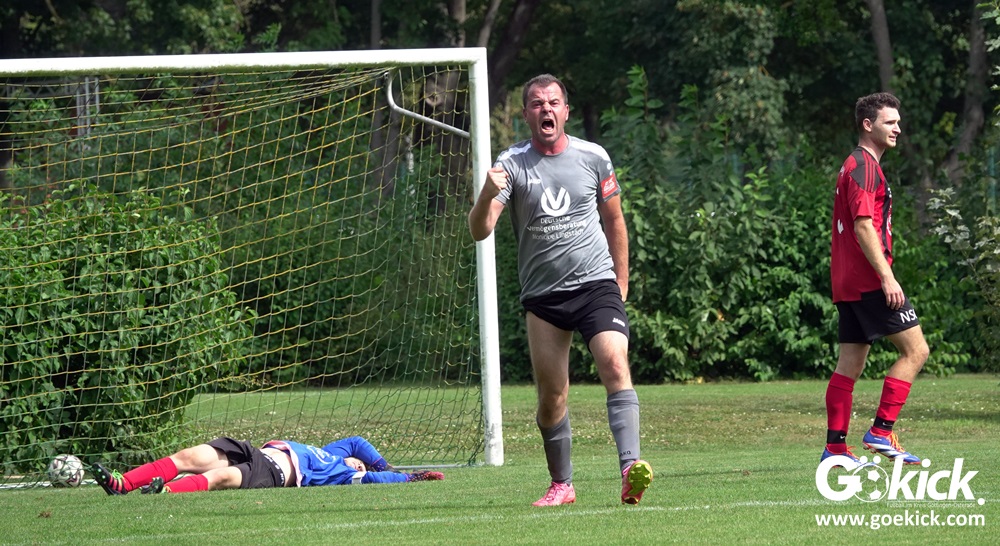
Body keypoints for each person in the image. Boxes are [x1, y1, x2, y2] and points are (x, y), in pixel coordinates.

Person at [468, 74, 652, 506]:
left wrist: (621, 281)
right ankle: (562, 485)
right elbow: (481, 229)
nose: (546, 109)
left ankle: (631, 469)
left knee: (614, 362)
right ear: (526, 114)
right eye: (537, 103)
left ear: (566, 111)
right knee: (552, 398)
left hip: (596, 286)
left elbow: (615, 220)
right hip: (544, 298)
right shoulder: (512, 163)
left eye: (553, 102)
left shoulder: (594, 157)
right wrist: (485, 194)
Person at [823, 92, 930, 466]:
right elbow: (864, 225)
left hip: (846, 283)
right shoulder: (865, 167)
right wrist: (887, 277)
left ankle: (835, 449)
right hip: (869, 280)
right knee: (916, 351)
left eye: (898, 122)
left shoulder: (851, 164)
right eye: (890, 122)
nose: (897, 128)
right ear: (868, 125)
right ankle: (881, 431)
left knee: (849, 366)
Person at [91, 436, 444, 495]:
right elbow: (357, 442)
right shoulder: (335, 453)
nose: (358, 463)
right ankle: (123, 483)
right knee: (191, 456)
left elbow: (376, 481)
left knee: (220, 476)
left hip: (274, 474)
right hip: (257, 451)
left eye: (361, 467)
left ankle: (164, 491)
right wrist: (380, 461)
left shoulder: (343, 474)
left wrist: (408, 477)